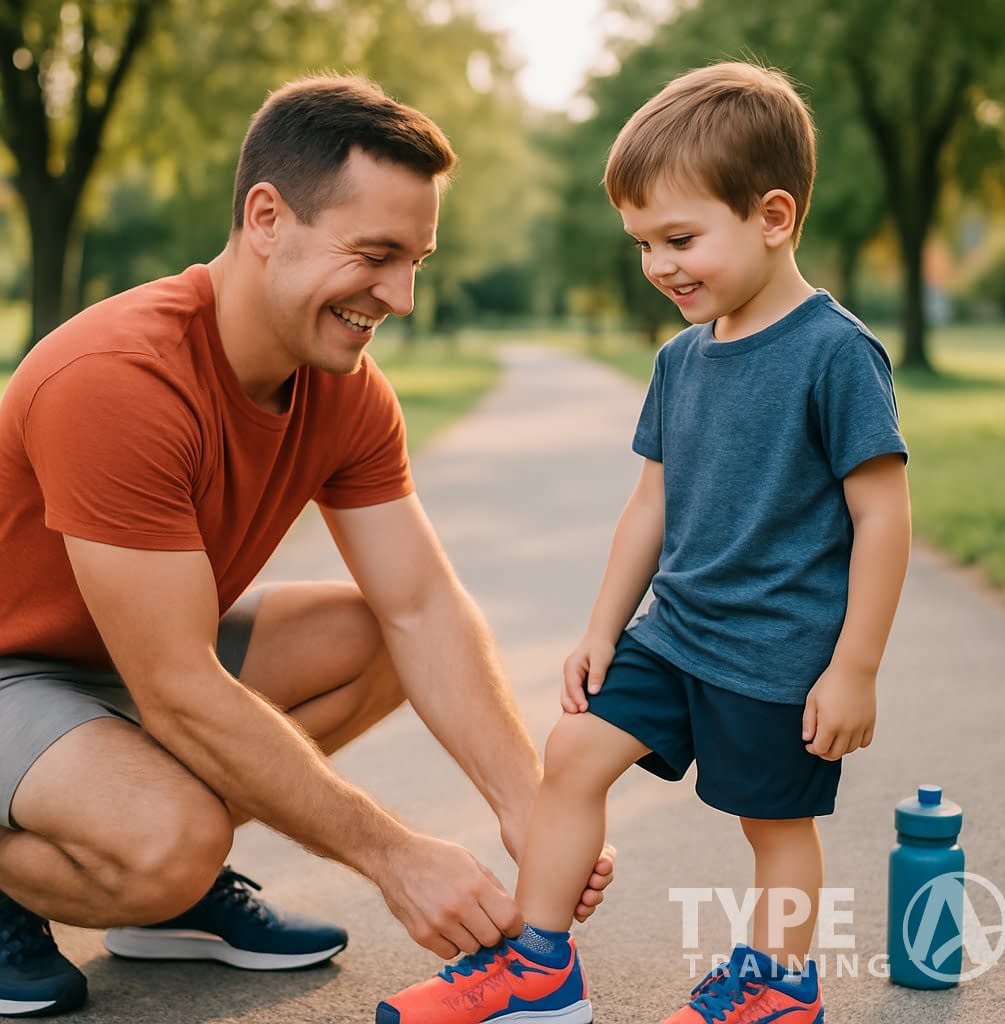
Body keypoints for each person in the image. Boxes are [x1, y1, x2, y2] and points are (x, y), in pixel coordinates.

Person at [0, 74, 613, 1019]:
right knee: (170, 843)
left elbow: (421, 607)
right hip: (14, 670)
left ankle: (166, 900)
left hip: (125, 657)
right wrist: (394, 856)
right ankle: (90, 877)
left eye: (416, 261)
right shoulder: (116, 378)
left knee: (369, 637)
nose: (401, 298)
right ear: (266, 216)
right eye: (375, 254)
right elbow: (177, 688)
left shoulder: (346, 391)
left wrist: (526, 803)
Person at [378, 61, 912, 1024]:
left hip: (779, 652)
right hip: (675, 632)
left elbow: (884, 516)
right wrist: (600, 628)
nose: (659, 265)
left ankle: (780, 993)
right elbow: (649, 507)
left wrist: (855, 668)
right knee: (574, 749)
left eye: (679, 238)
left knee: (774, 825)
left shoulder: (836, 354)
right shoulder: (679, 360)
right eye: (642, 244)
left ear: (774, 216)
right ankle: (539, 971)